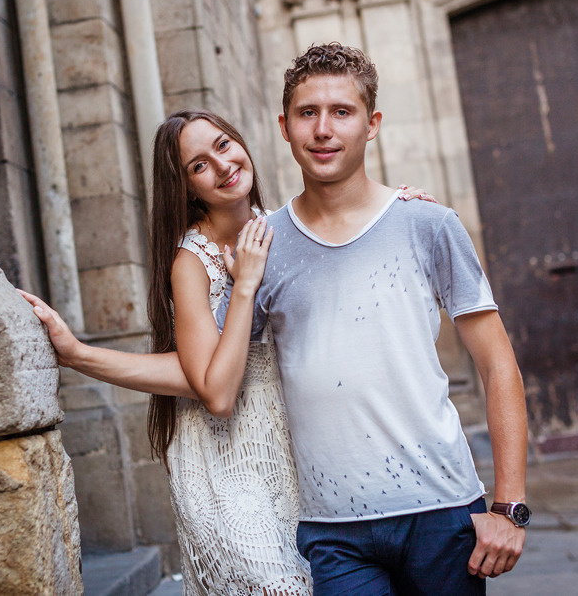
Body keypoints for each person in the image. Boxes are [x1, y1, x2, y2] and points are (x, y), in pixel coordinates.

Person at [20, 108, 436, 595]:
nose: (221, 165)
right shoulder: (190, 262)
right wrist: (244, 287)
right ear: (187, 187)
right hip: (225, 459)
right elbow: (215, 392)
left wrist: (395, 207)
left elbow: (345, 285)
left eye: (223, 145)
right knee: (281, 586)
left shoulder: (286, 228)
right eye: (198, 165)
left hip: (297, 447)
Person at [213, 42, 528, 595]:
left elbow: (498, 364)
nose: (323, 130)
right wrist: (82, 355)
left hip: (443, 511)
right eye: (307, 113)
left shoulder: (428, 224)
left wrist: (510, 505)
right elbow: (215, 374)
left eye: (342, 112)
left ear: (372, 123)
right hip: (332, 530)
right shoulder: (262, 247)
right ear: (284, 127)